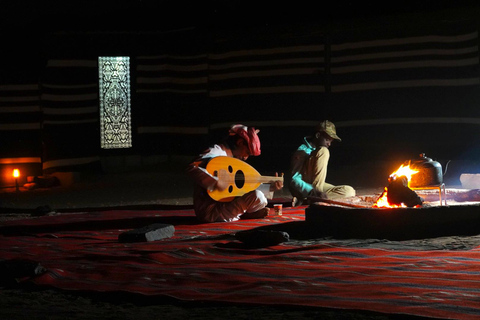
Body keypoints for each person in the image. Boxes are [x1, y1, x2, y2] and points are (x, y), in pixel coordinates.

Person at [186, 124, 283, 223]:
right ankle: (245, 214)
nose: (246, 157)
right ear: (240, 142)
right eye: (247, 152)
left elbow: (242, 188)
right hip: (212, 211)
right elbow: (192, 167)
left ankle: (244, 213)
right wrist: (215, 182)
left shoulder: (234, 161)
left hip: (227, 205)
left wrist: (270, 187)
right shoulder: (216, 151)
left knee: (261, 198)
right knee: (258, 197)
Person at [289, 120, 355, 206]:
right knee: (324, 151)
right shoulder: (302, 151)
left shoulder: (318, 151)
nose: (329, 144)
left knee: (349, 191)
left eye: (331, 141)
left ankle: (309, 200)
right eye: (327, 139)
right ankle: (314, 197)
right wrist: (311, 191)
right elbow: (294, 180)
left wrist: (316, 192)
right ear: (318, 135)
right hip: (305, 188)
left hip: (315, 188)